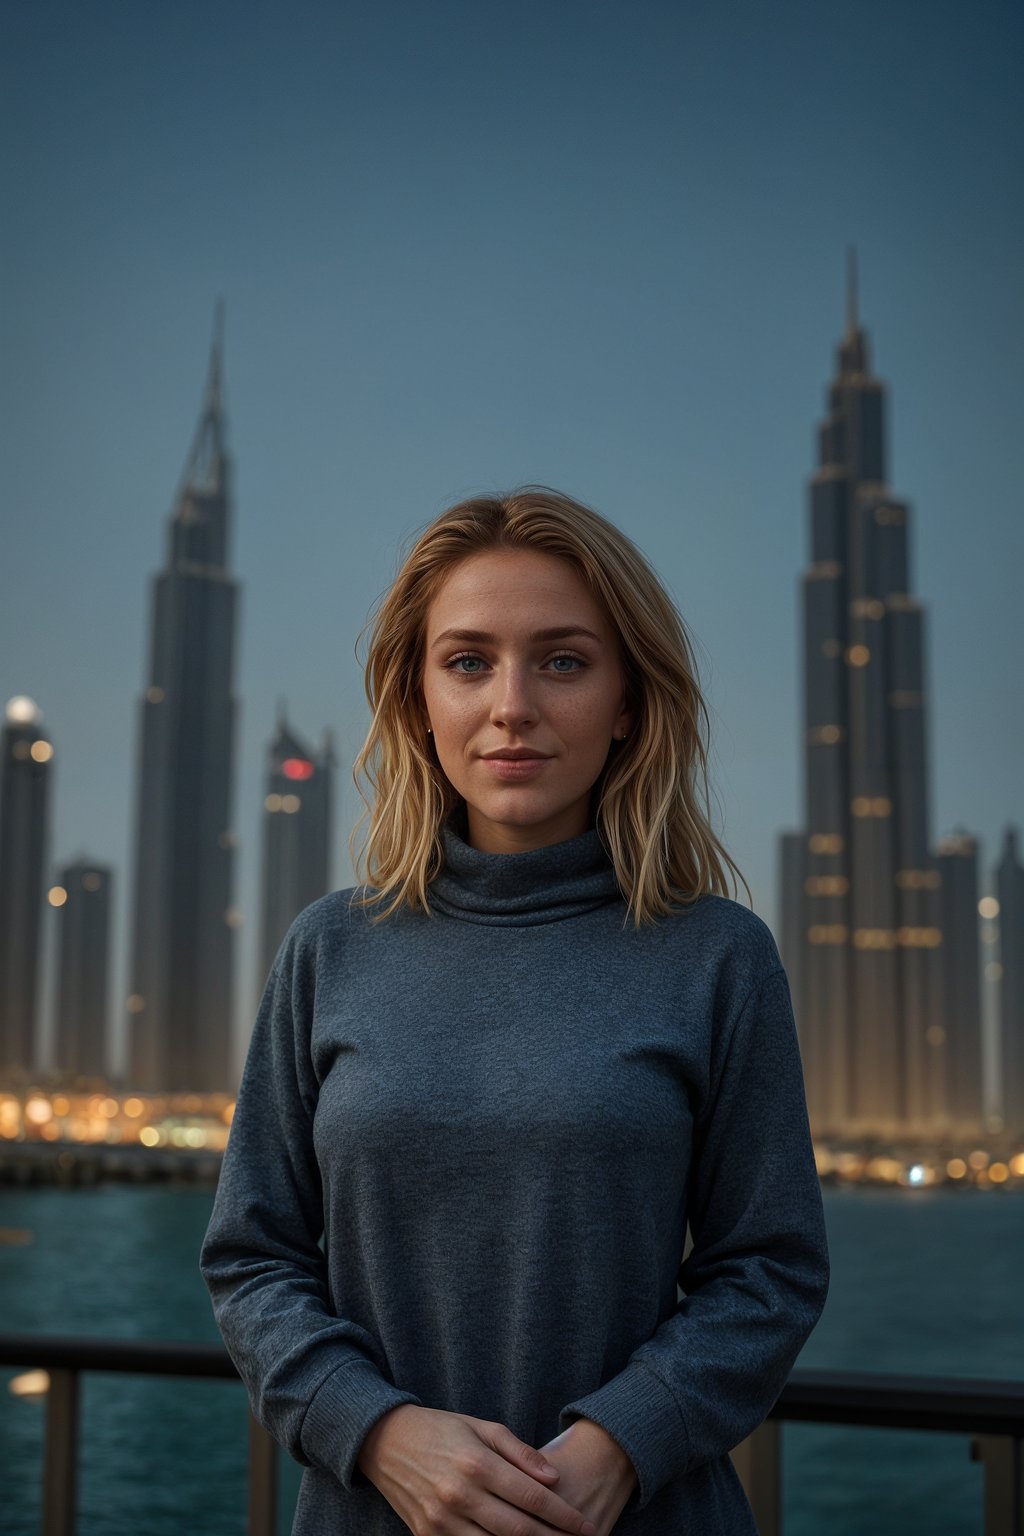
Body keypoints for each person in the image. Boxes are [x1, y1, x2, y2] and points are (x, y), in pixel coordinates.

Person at [200, 486, 830, 1535]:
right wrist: (380, 1432)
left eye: (564, 661)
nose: (511, 705)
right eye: (467, 661)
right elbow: (251, 1255)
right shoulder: (329, 946)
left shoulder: (718, 956)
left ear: (628, 700)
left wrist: (624, 1441)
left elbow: (767, 1268)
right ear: (417, 698)